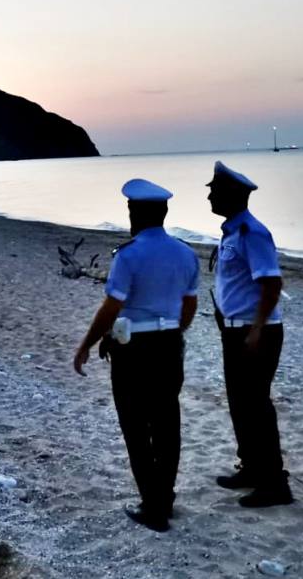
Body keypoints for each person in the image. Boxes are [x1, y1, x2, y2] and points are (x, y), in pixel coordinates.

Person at [74, 178, 199, 532]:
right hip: (169, 345)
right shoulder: (185, 253)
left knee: (135, 425)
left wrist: (87, 342)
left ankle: (153, 504)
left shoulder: (129, 255)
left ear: (135, 213)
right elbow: (189, 303)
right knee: (166, 422)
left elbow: (112, 305)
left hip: (134, 350)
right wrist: (175, 332)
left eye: (131, 209)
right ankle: (166, 496)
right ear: (164, 213)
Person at [206, 161, 293, 507]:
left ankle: (274, 483)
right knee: (240, 404)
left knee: (256, 406)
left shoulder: (251, 233)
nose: (209, 195)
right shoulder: (232, 231)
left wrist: (256, 330)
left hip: (256, 333)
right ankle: (252, 468)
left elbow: (271, 284)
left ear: (231, 195)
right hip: (235, 331)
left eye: (214, 190)